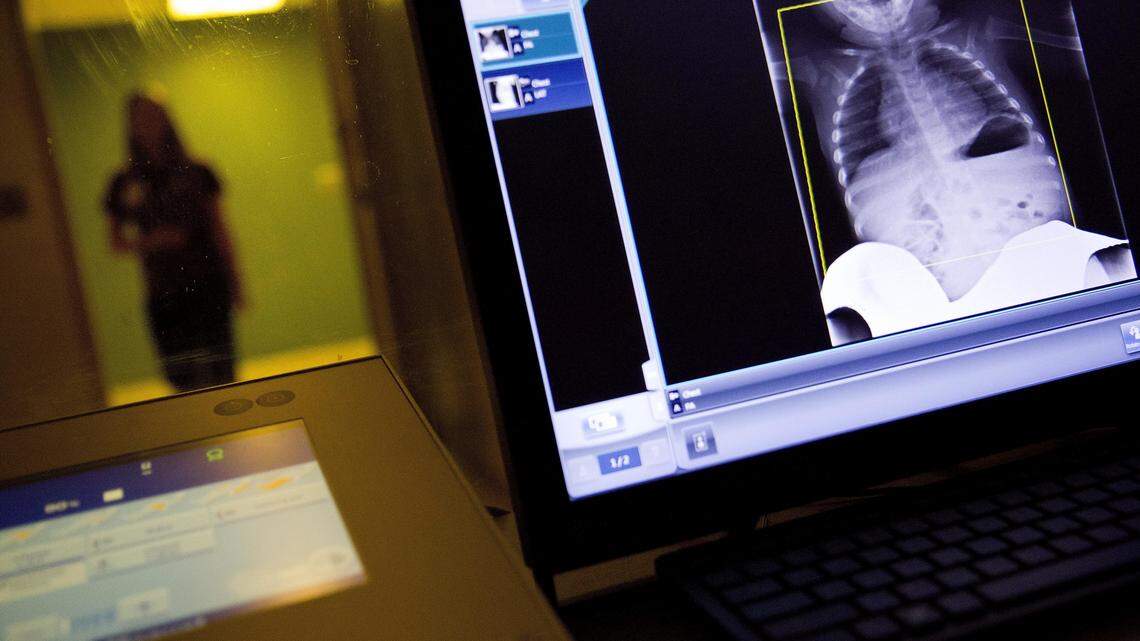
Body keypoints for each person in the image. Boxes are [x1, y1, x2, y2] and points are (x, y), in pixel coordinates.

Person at [104, 93, 243, 392]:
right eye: (140, 117)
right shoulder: (123, 182)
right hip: (163, 291)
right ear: (130, 126)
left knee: (223, 375)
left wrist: (236, 283)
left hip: (208, 284)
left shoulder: (197, 171)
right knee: (181, 381)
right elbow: (115, 242)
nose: (148, 123)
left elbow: (220, 230)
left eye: (154, 114)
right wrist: (152, 242)